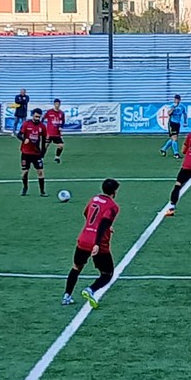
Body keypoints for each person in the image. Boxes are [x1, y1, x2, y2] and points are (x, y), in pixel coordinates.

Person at [63, 178, 121, 308]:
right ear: (114, 191)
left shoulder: (94, 199)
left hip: (84, 238)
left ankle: (66, 296)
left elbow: (87, 214)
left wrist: (102, 227)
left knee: (76, 267)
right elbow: (103, 224)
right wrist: (97, 243)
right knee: (107, 274)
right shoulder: (113, 206)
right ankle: (90, 290)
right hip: (99, 243)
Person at [18, 108, 48, 197]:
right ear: (32, 115)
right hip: (26, 152)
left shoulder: (42, 126)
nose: (37, 118)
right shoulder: (26, 124)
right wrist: (24, 139)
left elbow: (43, 140)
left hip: (36, 153)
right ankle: (25, 188)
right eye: (36, 116)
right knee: (25, 172)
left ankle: (42, 191)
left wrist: (43, 152)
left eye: (39, 117)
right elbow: (19, 134)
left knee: (40, 172)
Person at [43, 99, 66, 163]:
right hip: (49, 133)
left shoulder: (61, 113)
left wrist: (61, 127)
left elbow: (63, 121)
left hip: (57, 133)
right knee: (45, 145)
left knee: (61, 146)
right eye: (56, 104)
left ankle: (57, 157)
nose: (57, 105)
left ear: (60, 105)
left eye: (58, 104)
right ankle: (41, 158)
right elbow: (43, 118)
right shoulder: (49, 112)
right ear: (54, 104)